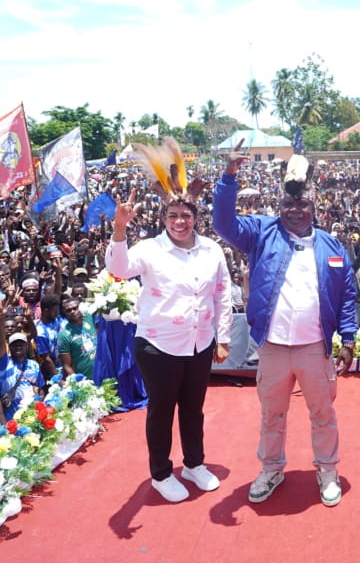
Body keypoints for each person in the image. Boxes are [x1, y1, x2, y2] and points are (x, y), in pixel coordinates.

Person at [213, 146, 357, 507]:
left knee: (323, 415)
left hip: (315, 348)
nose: (295, 211)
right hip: (273, 348)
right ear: (279, 207)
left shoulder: (332, 247)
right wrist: (228, 178)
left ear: (314, 208)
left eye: (302, 205)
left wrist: (349, 338)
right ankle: (272, 468)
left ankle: (327, 469)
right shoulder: (261, 233)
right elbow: (223, 224)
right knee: (272, 415)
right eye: (288, 205)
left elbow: (347, 295)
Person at [107, 138, 232, 504]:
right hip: (158, 345)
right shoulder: (148, 249)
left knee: (193, 408)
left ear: (196, 217)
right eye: (173, 216)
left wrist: (221, 338)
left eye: (186, 215)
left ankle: (194, 464)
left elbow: (223, 295)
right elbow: (118, 270)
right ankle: (161, 473)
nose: (180, 221)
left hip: (199, 343)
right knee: (161, 411)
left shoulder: (212, 250)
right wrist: (119, 230)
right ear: (164, 218)